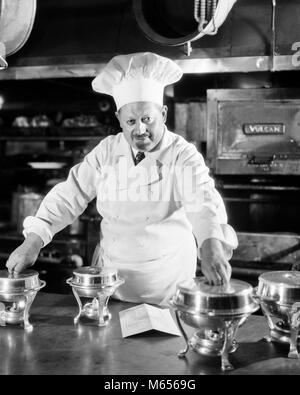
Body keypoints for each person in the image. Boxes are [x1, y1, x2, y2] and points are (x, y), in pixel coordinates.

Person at [6, 52, 238, 305]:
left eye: (147, 119)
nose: (139, 129)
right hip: (111, 279)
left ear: (163, 113)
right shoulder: (107, 151)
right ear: (119, 119)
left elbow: (202, 198)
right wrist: (34, 240)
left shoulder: (182, 154)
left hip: (165, 282)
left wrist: (210, 242)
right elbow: (70, 194)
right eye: (131, 121)